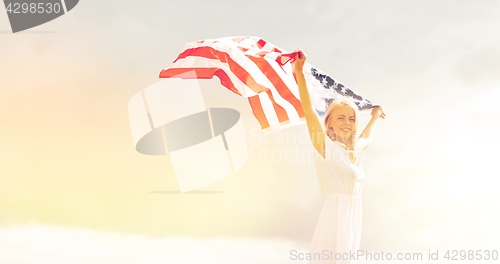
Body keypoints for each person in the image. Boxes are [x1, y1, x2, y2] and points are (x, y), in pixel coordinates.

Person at [292, 49, 386, 263]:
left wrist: (376, 117)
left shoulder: (352, 153)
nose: (347, 122)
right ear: (330, 122)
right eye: (341, 118)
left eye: (352, 119)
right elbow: (309, 112)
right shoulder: (325, 147)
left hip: (352, 219)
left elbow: (367, 139)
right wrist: (299, 73)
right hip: (335, 219)